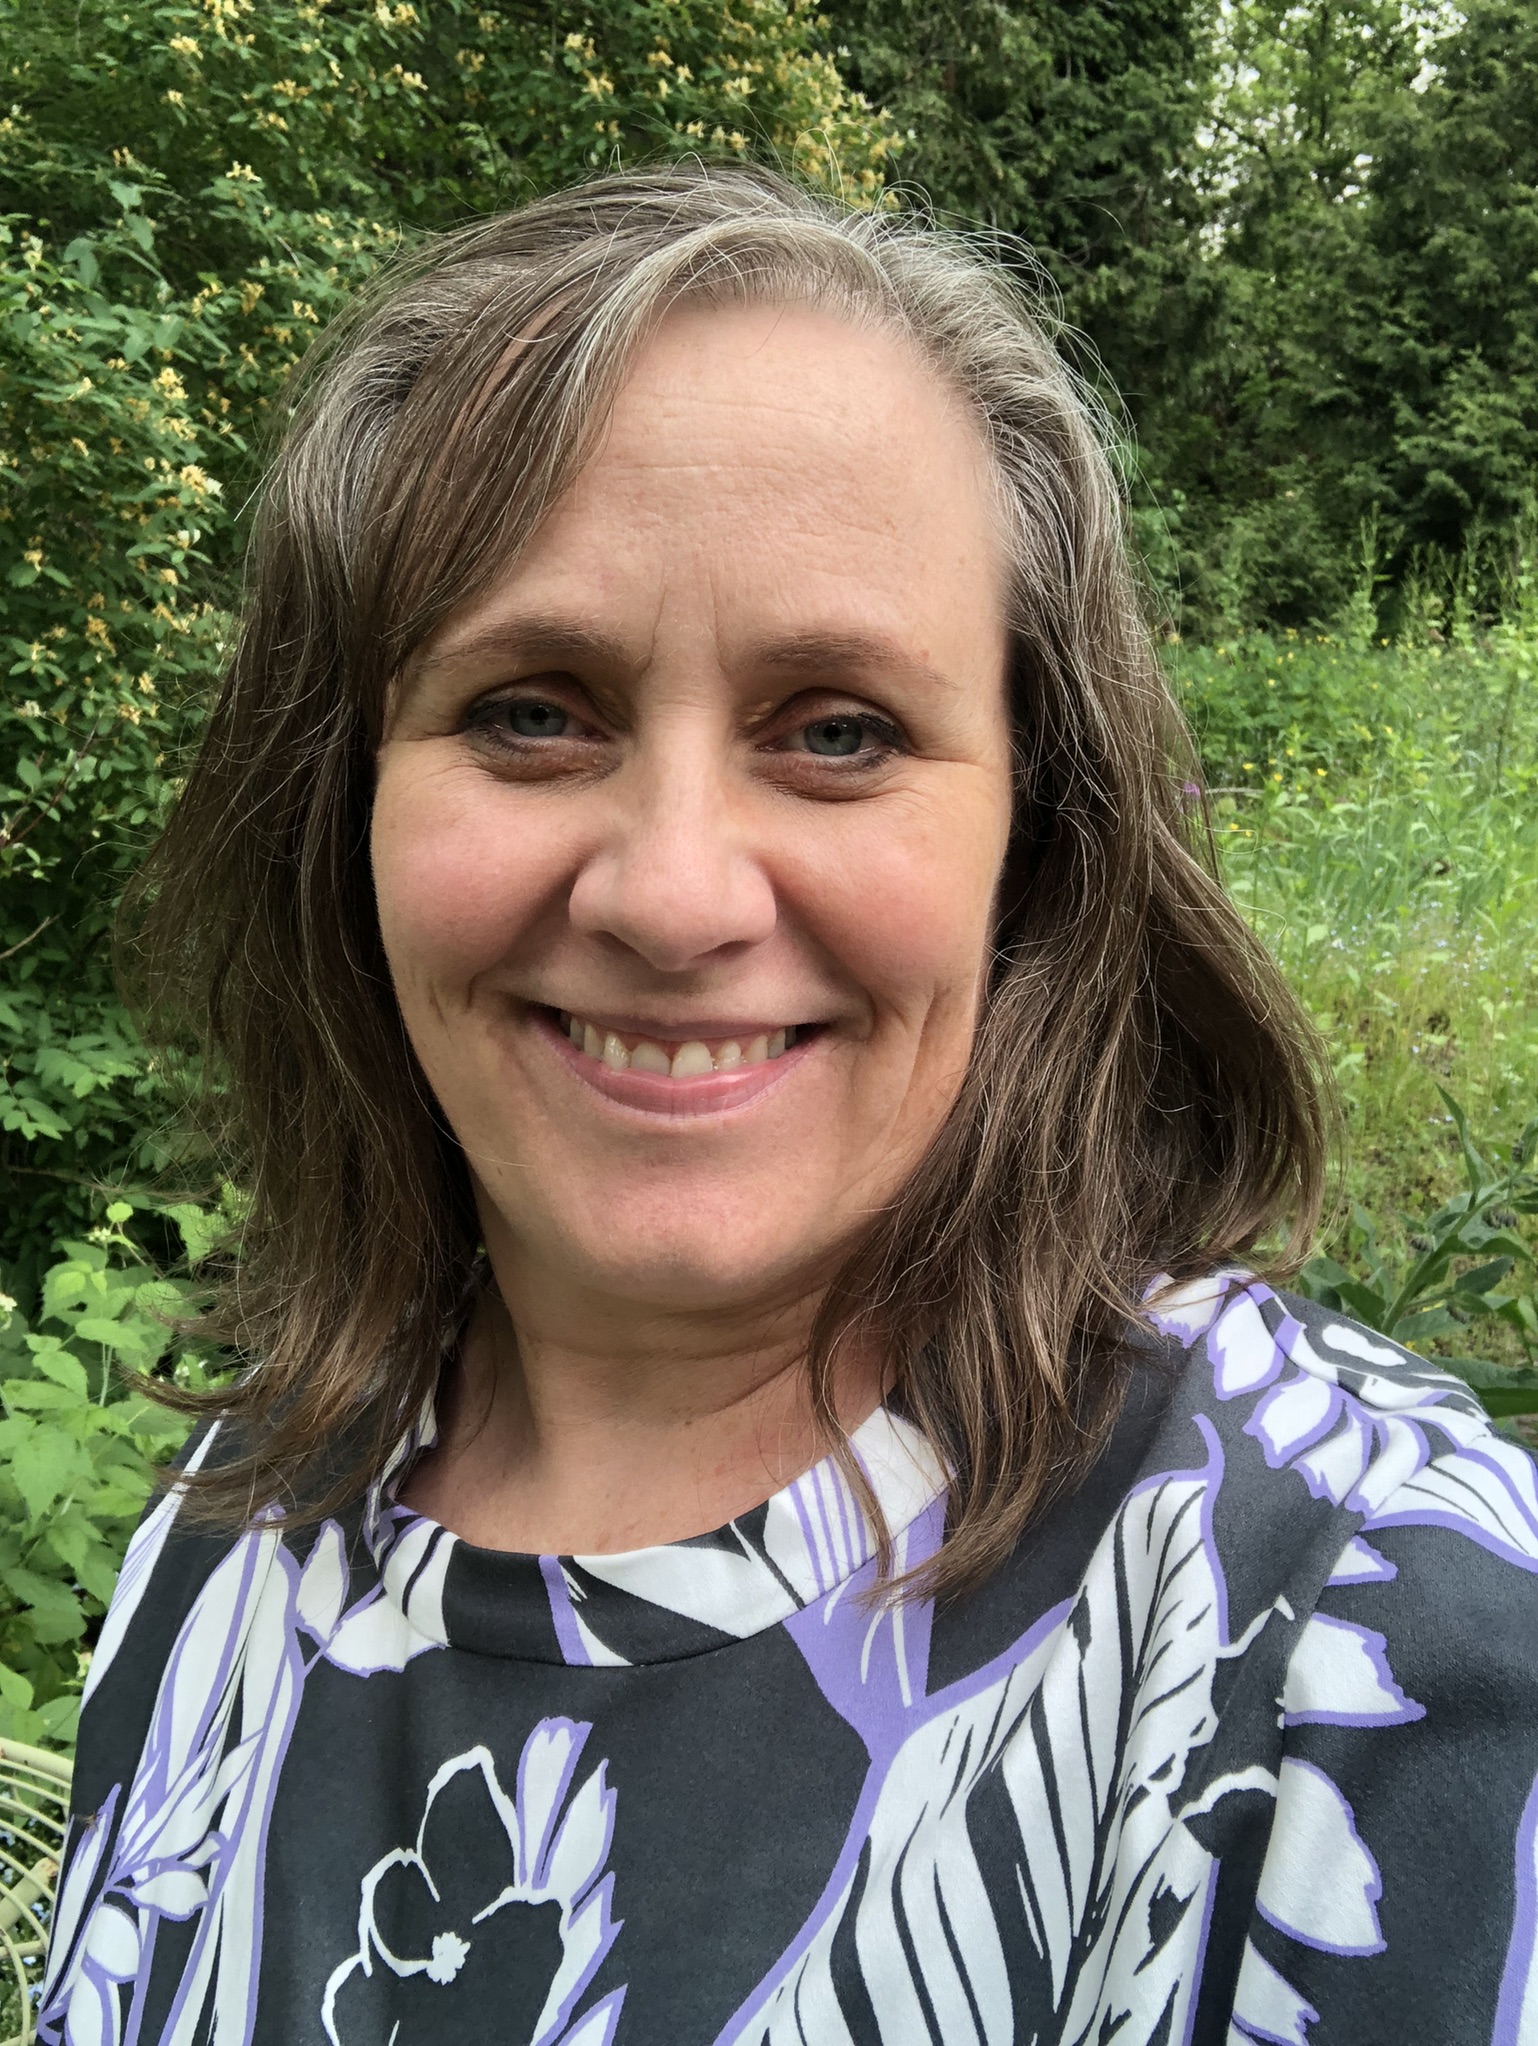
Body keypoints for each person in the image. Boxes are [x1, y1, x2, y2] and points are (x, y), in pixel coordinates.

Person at [39, 165, 1538, 2046]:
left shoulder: (1376, 1642)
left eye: (838, 729)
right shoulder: (240, 1514)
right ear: (341, 806)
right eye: (530, 709)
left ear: (1036, 836)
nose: (673, 894)